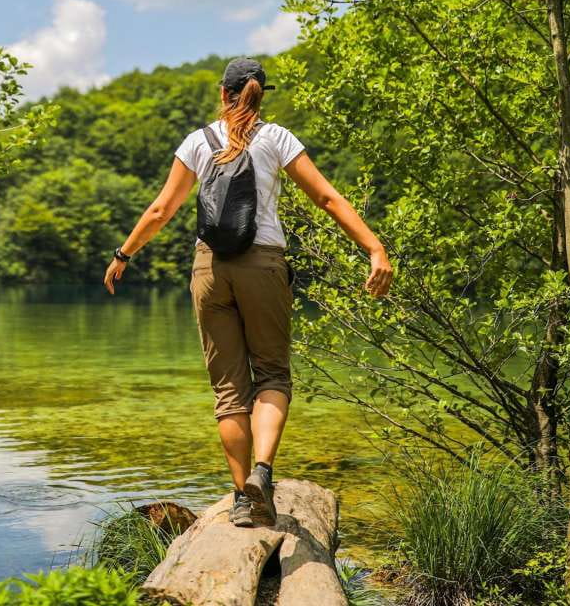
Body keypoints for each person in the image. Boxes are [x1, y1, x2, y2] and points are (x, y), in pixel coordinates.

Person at [103, 57, 392, 527]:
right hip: (263, 265)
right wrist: (374, 248)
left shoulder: (198, 142)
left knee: (229, 392)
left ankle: (242, 499)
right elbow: (327, 197)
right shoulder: (276, 139)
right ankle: (263, 473)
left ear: (223, 93)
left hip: (210, 270)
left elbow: (161, 210)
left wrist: (123, 254)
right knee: (272, 375)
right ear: (260, 94)